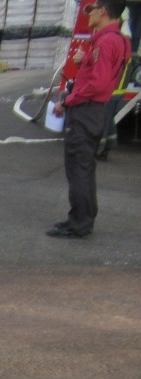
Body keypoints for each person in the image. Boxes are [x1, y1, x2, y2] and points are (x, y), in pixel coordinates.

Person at [47, 0, 131, 238]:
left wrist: (67, 101)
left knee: (78, 168)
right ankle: (82, 217)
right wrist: (83, 61)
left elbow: (97, 83)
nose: (89, 15)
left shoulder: (105, 42)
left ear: (103, 11)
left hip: (85, 111)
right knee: (84, 167)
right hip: (95, 111)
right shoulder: (120, 41)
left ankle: (80, 224)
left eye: (91, 10)